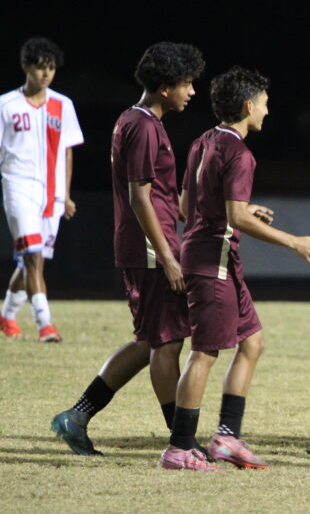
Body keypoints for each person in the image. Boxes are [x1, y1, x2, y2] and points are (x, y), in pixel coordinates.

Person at [159, 67, 310, 471]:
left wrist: (238, 212)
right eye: (265, 104)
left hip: (214, 257)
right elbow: (236, 217)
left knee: (252, 343)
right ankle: (179, 447)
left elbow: (187, 207)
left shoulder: (203, 141)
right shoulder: (239, 152)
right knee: (204, 354)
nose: (268, 112)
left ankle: (225, 438)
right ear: (248, 105)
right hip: (212, 262)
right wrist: (294, 242)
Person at [51, 42, 204, 456]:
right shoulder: (141, 125)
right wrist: (168, 255)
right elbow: (140, 198)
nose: (192, 91)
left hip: (149, 247)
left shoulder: (139, 121)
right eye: (187, 83)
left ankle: (77, 416)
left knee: (151, 341)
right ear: (165, 86)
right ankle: (181, 441)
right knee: (167, 344)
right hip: (150, 251)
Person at [0, 38, 84, 342]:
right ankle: (44, 324)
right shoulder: (5, 105)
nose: (46, 74)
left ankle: (6, 316)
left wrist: (67, 194)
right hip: (17, 187)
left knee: (30, 261)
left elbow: (67, 152)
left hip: (52, 195)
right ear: (26, 68)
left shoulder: (63, 105)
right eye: (40, 68)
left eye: (51, 69)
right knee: (33, 255)